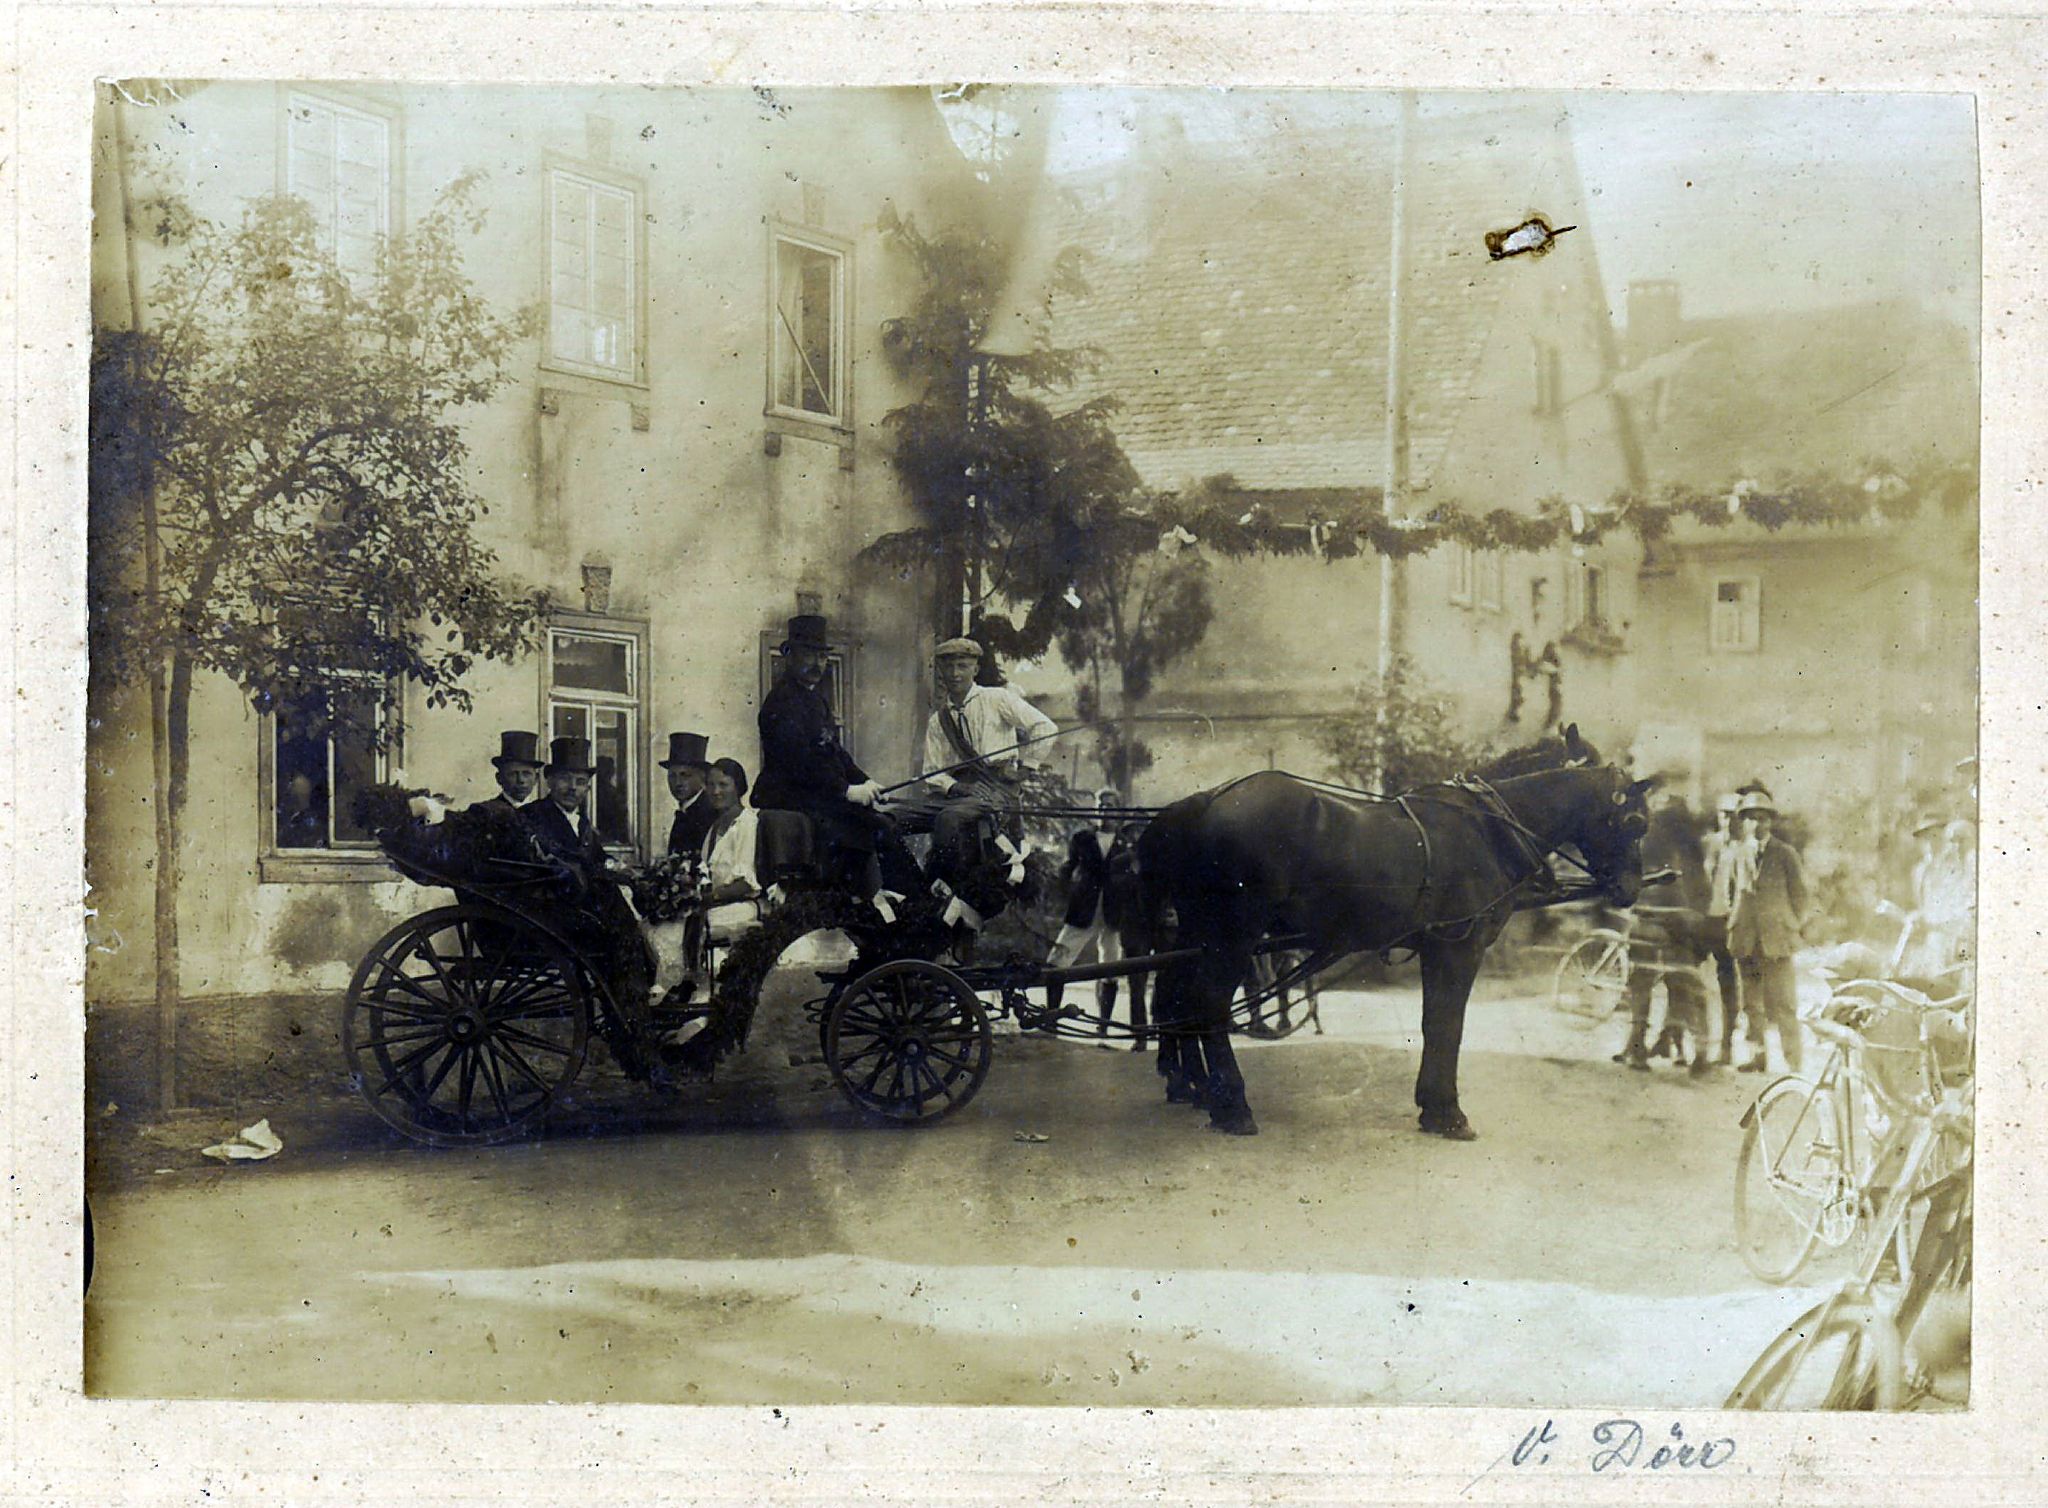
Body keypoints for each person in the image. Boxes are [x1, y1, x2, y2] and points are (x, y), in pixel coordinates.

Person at [752, 613, 915, 901]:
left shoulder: (815, 699)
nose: (818, 664)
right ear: (789, 656)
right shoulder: (782, 701)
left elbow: (834, 752)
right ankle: (905, 904)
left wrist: (867, 782)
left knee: (880, 823)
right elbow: (799, 763)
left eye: (823, 657)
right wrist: (846, 791)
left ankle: (896, 902)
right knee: (878, 827)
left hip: (817, 792)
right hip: (790, 794)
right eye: (808, 655)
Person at [893, 637, 1059, 897]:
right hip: (956, 794)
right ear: (940, 673)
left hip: (995, 792)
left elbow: (1045, 727)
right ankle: (907, 885)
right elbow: (933, 771)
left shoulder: (997, 699)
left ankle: (940, 886)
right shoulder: (939, 720)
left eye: (962, 666)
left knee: (949, 819)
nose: (955, 674)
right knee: (890, 819)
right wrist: (957, 787)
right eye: (948, 668)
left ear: (975, 670)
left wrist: (1025, 769)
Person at [521, 736, 655, 1022]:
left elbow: (596, 858)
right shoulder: (533, 816)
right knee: (619, 926)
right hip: (552, 909)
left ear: (588, 786)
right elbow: (555, 863)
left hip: (579, 905)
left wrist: (619, 869)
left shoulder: (581, 822)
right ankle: (630, 1002)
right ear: (549, 781)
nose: (573, 788)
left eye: (580, 781)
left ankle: (633, 997)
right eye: (565, 779)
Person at [1613, 790, 1715, 1076]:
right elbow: (1702, 891)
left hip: (1652, 923)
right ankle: (1700, 1050)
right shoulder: (1689, 849)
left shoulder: (1645, 844)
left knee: (1643, 986)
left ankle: (1638, 1047)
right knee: (1682, 988)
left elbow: (1628, 883)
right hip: (1674, 926)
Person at [1729, 796, 1810, 1074]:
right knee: (1751, 1003)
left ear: (1771, 821)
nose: (1755, 824)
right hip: (1746, 936)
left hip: (1777, 939)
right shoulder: (1739, 853)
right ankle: (1757, 1056)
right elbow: (1733, 891)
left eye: (1761, 818)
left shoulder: (1785, 853)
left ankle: (1794, 1062)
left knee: (1785, 1003)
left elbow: (1801, 895)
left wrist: (1789, 925)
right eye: (1749, 818)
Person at [1048, 789, 1133, 1027]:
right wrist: (1064, 893)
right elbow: (1067, 869)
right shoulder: (1082, 838)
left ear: (1119, 812)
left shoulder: (1126, 844)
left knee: (1111, 966)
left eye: (1111, 806)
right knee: (1058, 960)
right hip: (1083, 909)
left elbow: (1133, 879)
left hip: (1113, 913)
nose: (1105, 811)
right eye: (1101, 806)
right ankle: (1051, 1018)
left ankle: (1103, 1024)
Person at [1702, 791, 1753, 1064]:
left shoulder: (1746, 849)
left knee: (1728, 986)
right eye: (1724, 814)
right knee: (1687, 979)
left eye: (1735, 816)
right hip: (1703, 919)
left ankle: (1725, 1047)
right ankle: (1677, 1040)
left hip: (1728, 922)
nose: (1729, 821)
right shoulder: (1709, 844)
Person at [699, 757, 765, 943]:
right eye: (710, 785)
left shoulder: (747, 824)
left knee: (683, 930)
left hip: (741, 908)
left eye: (723, 785)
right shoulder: (715, 828)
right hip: (717, 905)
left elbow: (746, 884)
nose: (715, 791)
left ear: (738, 788)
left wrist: (711, 897)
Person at [659, 731, 717, 861]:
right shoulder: (685, 812)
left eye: (685, 775)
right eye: (672, 776)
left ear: (702, 776)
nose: (678, 783)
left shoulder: (708, 813)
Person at [473, 730, 544, 813]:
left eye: (526, 774)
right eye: (513, 774)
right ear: (499, 778)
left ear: (536, 779)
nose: (521, 780)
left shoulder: (542, 814)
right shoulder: (486, 812)